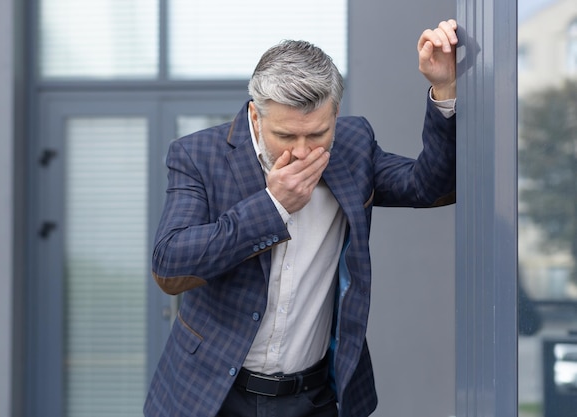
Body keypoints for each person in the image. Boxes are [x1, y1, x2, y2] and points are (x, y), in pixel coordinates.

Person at [144, 19, 459, 417]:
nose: (303, 151)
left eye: (317, 134)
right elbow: (170, 264)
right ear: (255, 118)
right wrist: (273, 204)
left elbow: (429, 187)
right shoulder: (197, 156)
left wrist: (445, 89)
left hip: (314, 398)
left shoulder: (353, 145)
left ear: (336, 112)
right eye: (286, 136)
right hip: (214, 395)